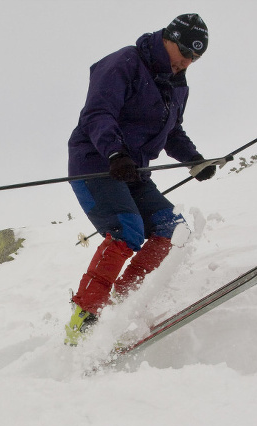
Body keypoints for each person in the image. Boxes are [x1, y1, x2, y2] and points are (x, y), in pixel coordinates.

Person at [64, 13, 216, 345]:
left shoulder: (178, 85)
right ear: (169, 39)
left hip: (134, 170)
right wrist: (115, 152)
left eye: (195, 58)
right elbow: (97, 113)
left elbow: (171, 132)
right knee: (127, 227)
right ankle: (83, 320)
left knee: (173, 229)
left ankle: (123, 304)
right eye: (185, 53)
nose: (187, 63)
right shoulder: (125, 63)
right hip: (97, 163)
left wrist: (194, 160)